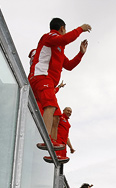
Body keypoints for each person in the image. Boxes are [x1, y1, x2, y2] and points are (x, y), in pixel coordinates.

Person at [28, 18, 91, 156]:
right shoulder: (50, 37)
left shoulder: (58, 48)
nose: (66, 32)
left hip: (47, 81)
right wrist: (81, 28)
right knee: (50, 106)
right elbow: (65, 39)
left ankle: (52, 144)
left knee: (55, 113)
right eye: (65, 30)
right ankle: (46, 138)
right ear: (62, 28)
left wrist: (81, 53)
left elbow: (69, 66)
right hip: (41, 77)